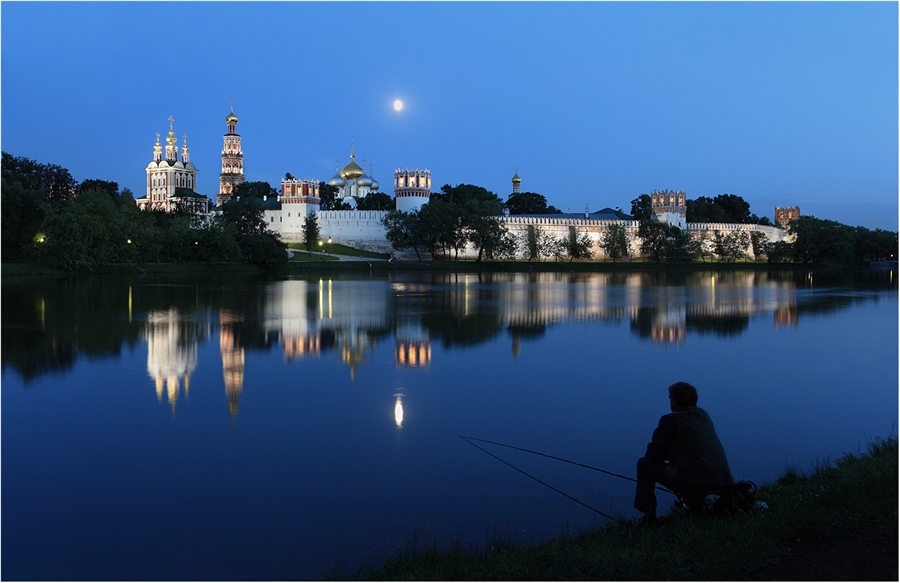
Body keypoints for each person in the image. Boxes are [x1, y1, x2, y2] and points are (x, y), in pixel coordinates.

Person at [633, 381, 733, 526]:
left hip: (698, 482)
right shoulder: (703, 415)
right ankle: (697, 508)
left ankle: (648, 517)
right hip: (724, 480)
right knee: (690, 468)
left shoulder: (670, 420)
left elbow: (653, 455)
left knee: (644, 464)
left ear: (674, 401)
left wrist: (670, 456)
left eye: (670, 398)